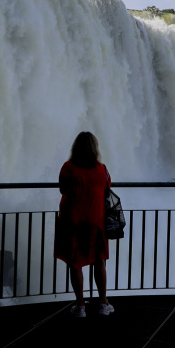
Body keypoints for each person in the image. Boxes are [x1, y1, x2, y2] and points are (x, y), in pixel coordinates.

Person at [54, 131, 114, 318]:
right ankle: (103, 304)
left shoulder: (68, 167)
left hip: (73, 221)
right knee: (99, 261)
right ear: (95, 148)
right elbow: (107, 189)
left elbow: (62, 188)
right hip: (96, 220)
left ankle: (80, 306)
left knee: (75, 263)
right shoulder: (102, 169)